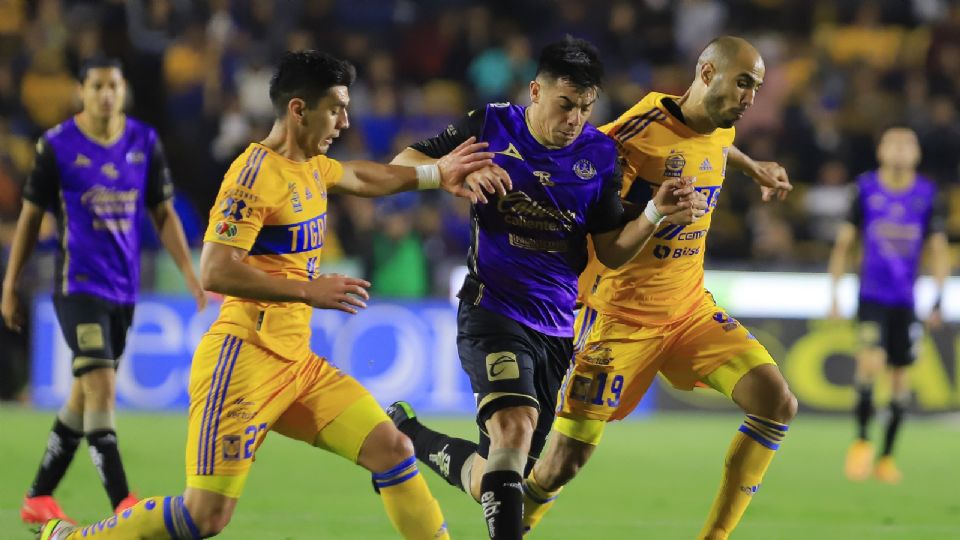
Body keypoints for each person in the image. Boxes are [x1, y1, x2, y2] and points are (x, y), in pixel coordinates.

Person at [38, 49, 494, 540]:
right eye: (336, 108)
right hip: (243, 361)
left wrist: (434, 173)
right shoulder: (253, 175)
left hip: (297, 364)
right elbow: (214, 269)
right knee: (204, 517)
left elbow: (363, 176)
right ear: (299, 109)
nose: (344, 120)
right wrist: (306, 289)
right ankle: (71, 538)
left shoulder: (314, 167)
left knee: (394, 449)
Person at [388, 36, 707, 540]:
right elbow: (401, 163)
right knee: (513, 430)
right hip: (492, 309)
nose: (575, 119)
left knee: (497, 474)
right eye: (565, 105)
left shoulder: (600, 155)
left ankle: (409, 436)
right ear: (536, 91)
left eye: (585, 107)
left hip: (558, 327)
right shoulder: (491, 124)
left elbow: (613, 251)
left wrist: (651, 214)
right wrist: (445, 173)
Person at [515, 36, 799, 540]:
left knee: (776, 401)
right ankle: (512, 529)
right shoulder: (631, 135)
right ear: (707, 74)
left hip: (689, 311)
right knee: (562, 464)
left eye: (756, 86)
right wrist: (644, 214)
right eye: (743, 82)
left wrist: (752, 165)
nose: (751, 97)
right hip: (619, 317)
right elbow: (579, 177)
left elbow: (710, 143)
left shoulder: (718, 126)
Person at [2, 56, 206, 525]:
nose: (106, 94)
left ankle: (39, 496)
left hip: (123, 290)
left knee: (83, 395)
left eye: (113, 85)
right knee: (102, 387)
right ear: (82, 92)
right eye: (97, 86)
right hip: (77, 286)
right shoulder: (56, 146)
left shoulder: (143, 141)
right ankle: (123, 503)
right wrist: (10, 284)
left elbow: (163, 213)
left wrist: (191, 275)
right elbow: (31, 219)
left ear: (124, 89)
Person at [829, 126, 949, 484]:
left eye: (906, 144)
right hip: (871, 298)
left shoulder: (927, 194)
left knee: (899, 381)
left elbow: (938, 250)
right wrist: (834, 294)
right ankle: (862, 442)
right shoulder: (864, 189)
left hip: (906, 301)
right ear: (880, 151)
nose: (899, 150)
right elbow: (844, 244)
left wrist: (939, 299)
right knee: (870, 363)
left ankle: (886, 457)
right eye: (892, 143)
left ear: (916, 154)